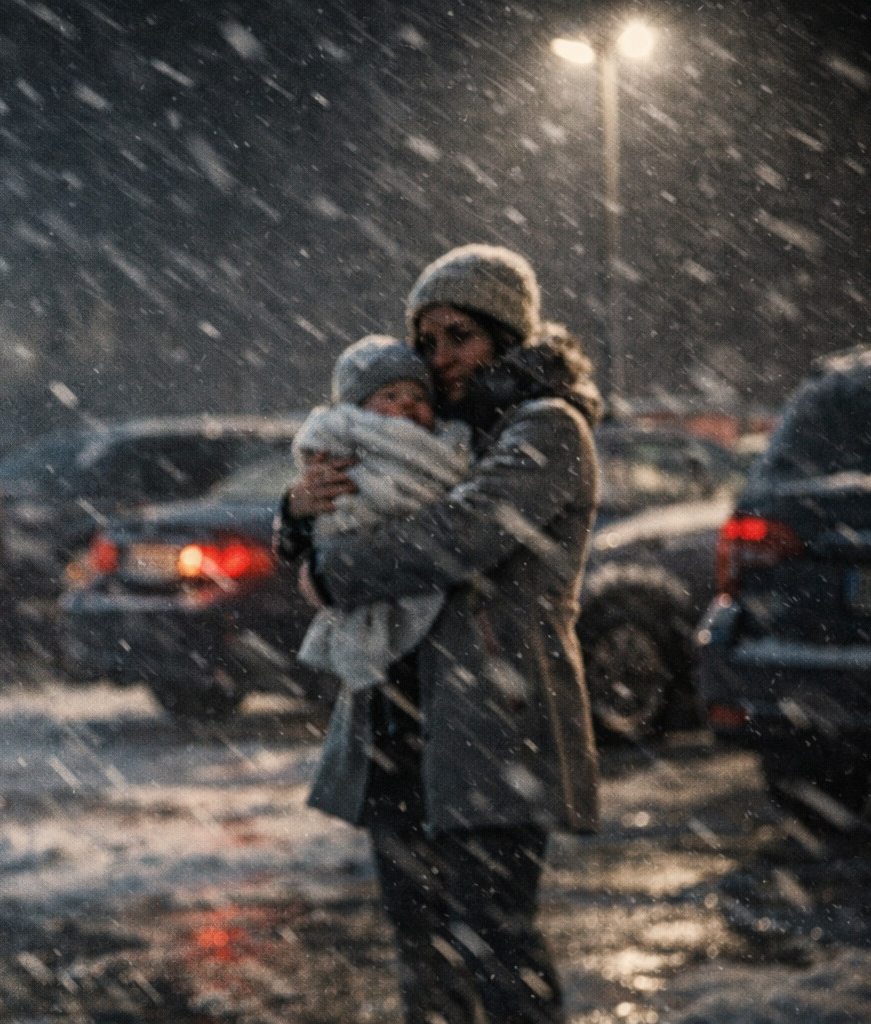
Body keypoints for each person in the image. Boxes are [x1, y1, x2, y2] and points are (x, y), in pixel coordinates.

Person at [277, 244, 602, 1024]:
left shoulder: (549, 428)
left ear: (507, 335)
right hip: (399, 726)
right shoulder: (426, 430)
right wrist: (297, 509)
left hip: (494, 725)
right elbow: (348, 505)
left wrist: (333, 573)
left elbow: (459, 537)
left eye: (461, 335)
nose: (440, 357)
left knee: (497, 950)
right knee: (423, 958)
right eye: (426, 340)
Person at [289, 335, 473, 824]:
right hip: (384, 614)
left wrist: (334, 562)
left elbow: (452, 529)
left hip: (431, 633)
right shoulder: (345, 444)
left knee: (409, 793)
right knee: (395, 796)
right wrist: (298, 512)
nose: (407, 407)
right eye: (390, 396)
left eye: (417, 397)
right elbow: (322, 520)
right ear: (359, 408)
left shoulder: (454, 448)